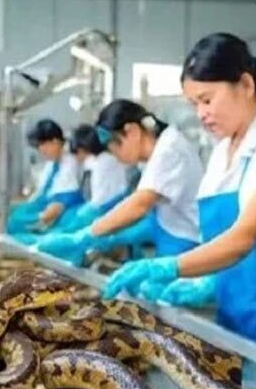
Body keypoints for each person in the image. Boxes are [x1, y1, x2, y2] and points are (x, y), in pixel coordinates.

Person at [102, 33, 256, 371]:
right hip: (240, 326)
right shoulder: (221, 153)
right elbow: (222, 242)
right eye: (194, 105)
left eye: (207, 100)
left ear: (245, 84)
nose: (201, 114)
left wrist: (169, 266)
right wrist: (208, 283)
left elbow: (243, 237)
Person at [35, 100, 202, 271]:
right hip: (172, 241)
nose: (114, 155)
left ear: (133, 132)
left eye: (113, 147)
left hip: (187, 248)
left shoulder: (169, 151)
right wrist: (114, 237)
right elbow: (160, 212)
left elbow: (139, 205)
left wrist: (85, 236)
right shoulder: (153, 156)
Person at [6, 118, 82, 235]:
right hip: (44, 207)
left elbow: (58, 206)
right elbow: (41, 193)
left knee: (15, 225)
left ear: (56, 141)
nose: (41, 150)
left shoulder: (71, 164)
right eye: (39, 146)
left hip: (61, 215)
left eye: (43, 145)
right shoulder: (52, 164)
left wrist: (37, 222)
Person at [59, 124, 135, 232]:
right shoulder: (97, 161)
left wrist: (85, 214)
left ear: (83, 149)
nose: (76, 157)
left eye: (77, 152)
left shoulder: (103, 162)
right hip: (107, 207)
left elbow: (100, 201)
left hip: (109, 208)